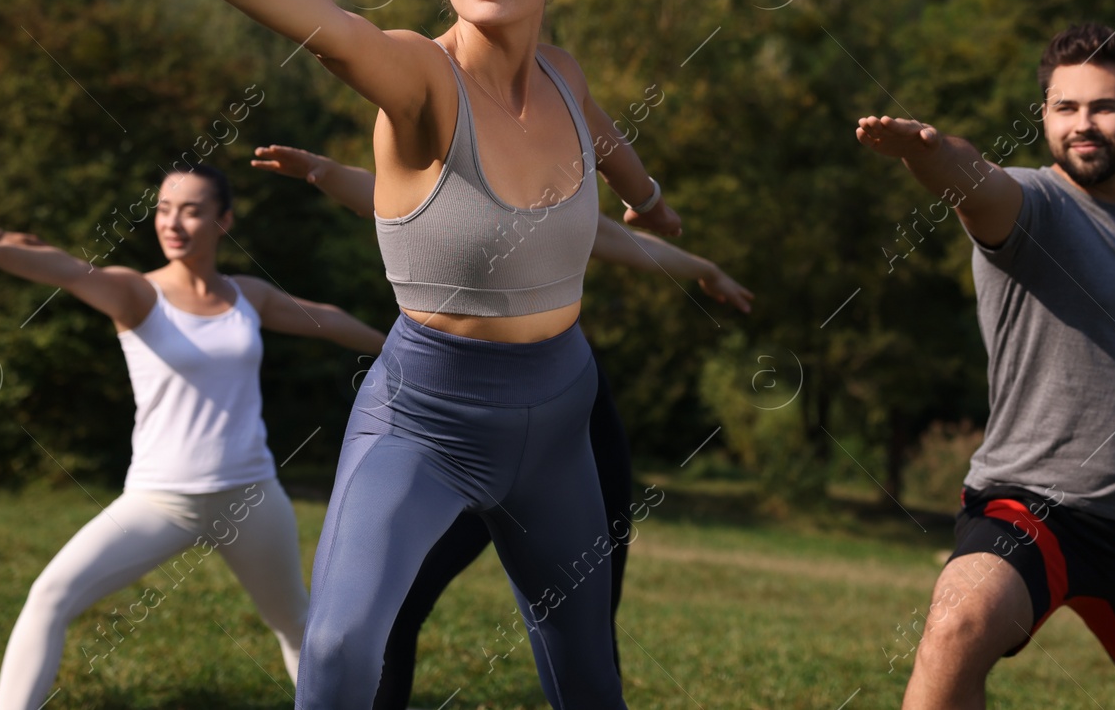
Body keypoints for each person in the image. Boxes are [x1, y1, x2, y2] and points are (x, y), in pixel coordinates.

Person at [116, 0, 680, 709]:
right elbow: (336, 28)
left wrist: (652, 202)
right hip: (426, 417)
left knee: (589, 673)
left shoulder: (565, 75)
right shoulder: (422, 77)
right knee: (341, 648)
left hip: (562, 414)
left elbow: (607, 140)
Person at [251, 143, 753, 707]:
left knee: (582, 633)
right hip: (446, 433)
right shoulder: (441, 195)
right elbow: (379, 195)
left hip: (567, 428)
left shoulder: (552, 199)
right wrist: (322, 171)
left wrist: (702, 269)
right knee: (391, 607)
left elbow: (618, 238)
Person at [856, 23, 1115, 710]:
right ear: (1044, 116)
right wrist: (933, 152)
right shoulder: (1034, 207)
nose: (1083, 123)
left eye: (1103, 106)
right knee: (956, 624)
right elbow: (975, 182)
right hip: (1032, 504)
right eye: (1065, 107)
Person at [0, 164, 385, 710]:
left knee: (295, 623)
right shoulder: (136, 293)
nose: (173, 222)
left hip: (250, 497)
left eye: (191, 210)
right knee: (49, 596)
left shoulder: (248, 296)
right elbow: (69, 271)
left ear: (224, 221)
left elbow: (325, 318)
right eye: (165, 209)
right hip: (160, 499)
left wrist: (398, 347)